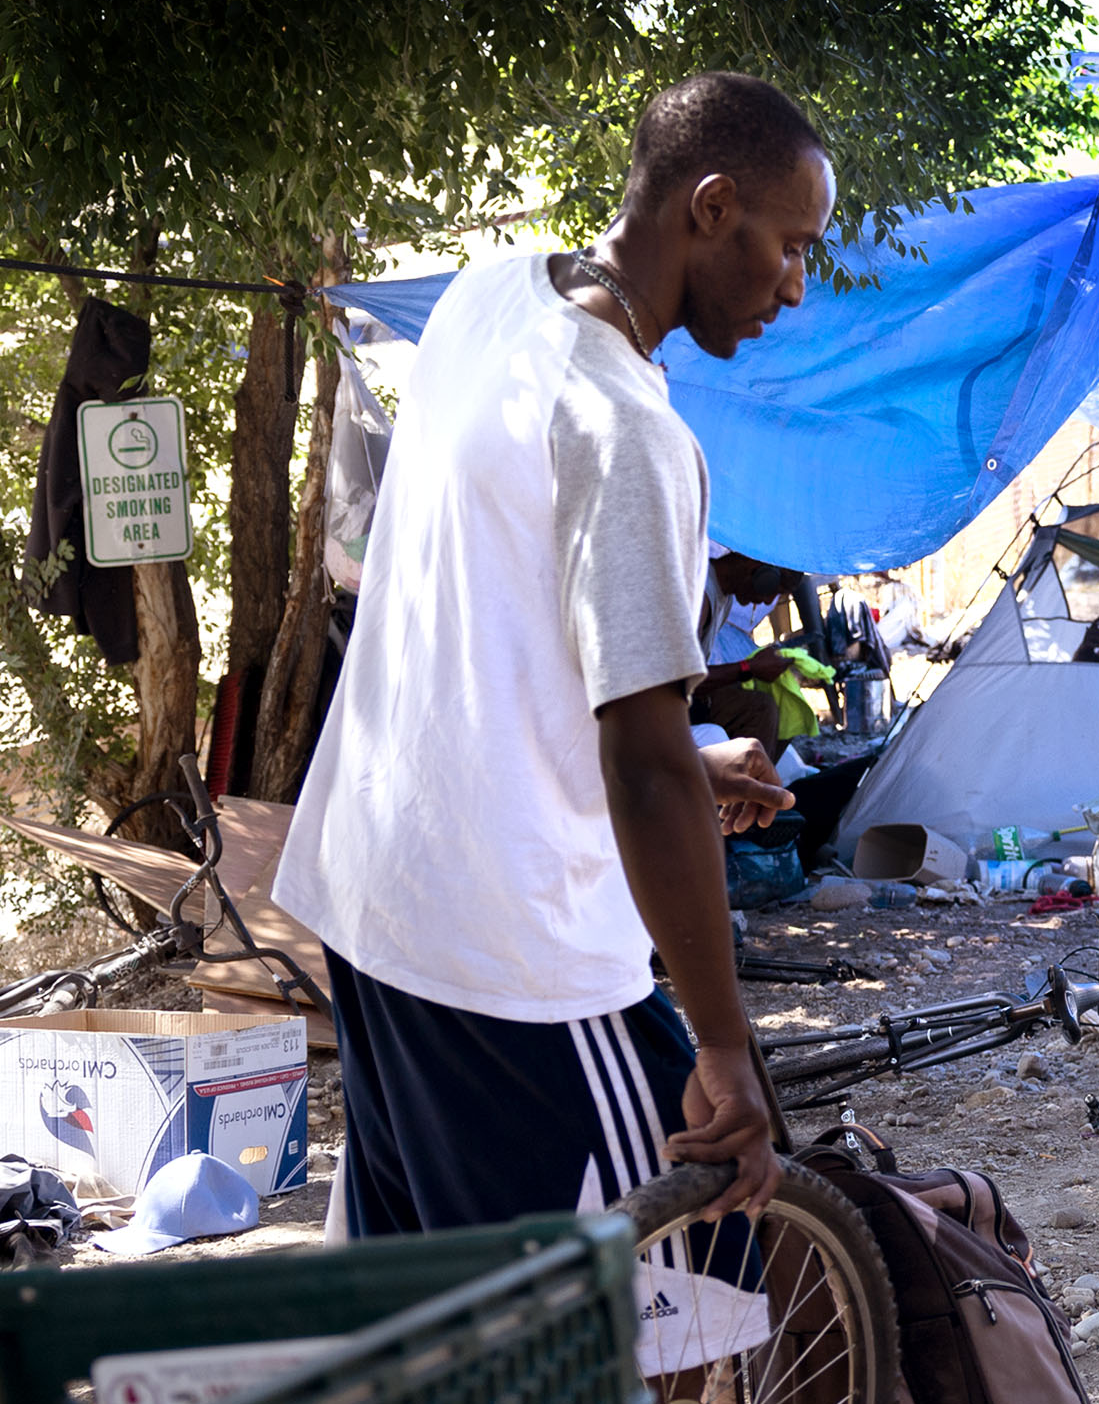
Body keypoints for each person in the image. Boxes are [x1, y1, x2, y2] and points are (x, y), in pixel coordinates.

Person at [278, 72, 834, 1302]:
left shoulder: (489, 300)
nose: (797, 284)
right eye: (790, 245)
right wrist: (729, 1049)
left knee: (431, 1319)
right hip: (509, 952)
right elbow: (633, 761)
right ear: (710, 205)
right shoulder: (627, 425)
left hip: (374, 897)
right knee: (683, 1289)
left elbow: (492, 645)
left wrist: (692, 762)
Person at [694, 549, 811, 754]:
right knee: (760, 710)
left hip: (690, 696)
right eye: (774, 589)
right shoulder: (702, 594)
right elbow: (682, 679)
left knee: (782, 709)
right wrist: (748, 668)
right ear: (756, 568)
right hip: (666, 706)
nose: (768, 602)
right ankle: (748, 783)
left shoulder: (724, 597)